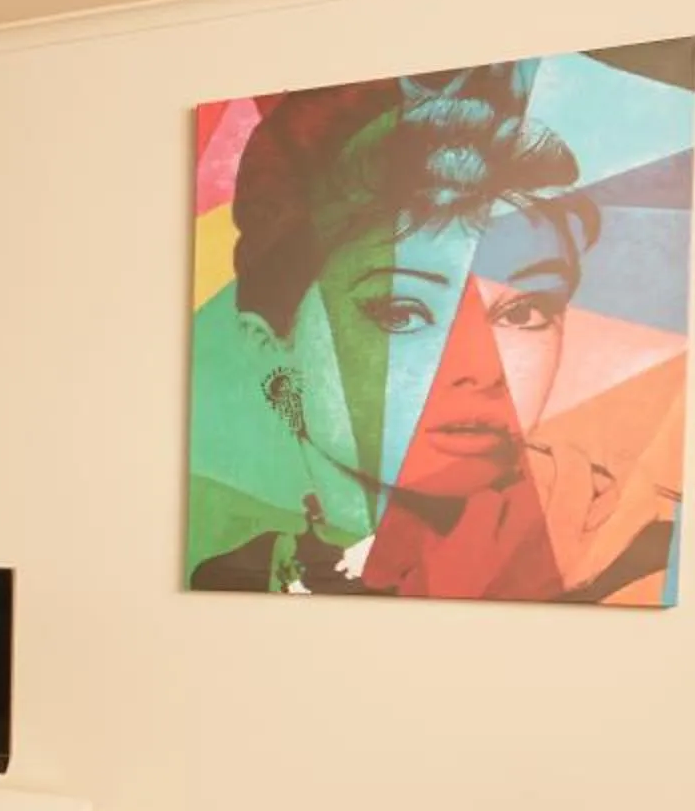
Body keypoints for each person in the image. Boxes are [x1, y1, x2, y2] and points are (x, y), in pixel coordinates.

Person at [191, 62, 601, 598]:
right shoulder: (229, 577)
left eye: (524, 313)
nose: (482, 369)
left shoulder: (622, 556)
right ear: (272, 347)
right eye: (400, 312)